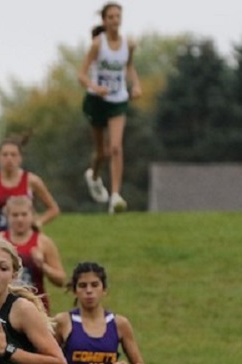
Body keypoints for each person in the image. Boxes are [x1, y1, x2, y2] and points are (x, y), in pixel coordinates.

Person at [79, 2, 142, 214]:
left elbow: (129, 66)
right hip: (97, 101)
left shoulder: (128, 45)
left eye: (118, 16)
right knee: (101, 152)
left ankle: (115, 197)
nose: (115, 20)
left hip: (118, 100)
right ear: (104, 21)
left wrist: (136, 85)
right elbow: (81, 75)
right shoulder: (98, 44)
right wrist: (95, 87)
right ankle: (94, 176)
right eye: (111, 17)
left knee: (115, 147)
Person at [0, 195, 66, 312]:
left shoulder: (43, 242)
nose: (20, 219)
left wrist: (43, 266)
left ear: (32, 216)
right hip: (3, 307)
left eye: (24, 214)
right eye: (15, 215)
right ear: (7, 217)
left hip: (36, 308)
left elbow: (61, 280)